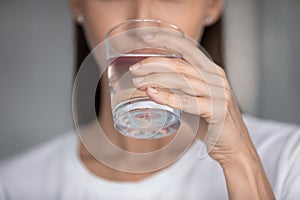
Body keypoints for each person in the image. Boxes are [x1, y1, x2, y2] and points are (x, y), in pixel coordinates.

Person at [0, 0, 299, 199]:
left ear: (212, 4)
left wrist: (241, 162)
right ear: (76, 4)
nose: (142, 25)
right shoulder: (14, 185)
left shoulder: (289, 160)